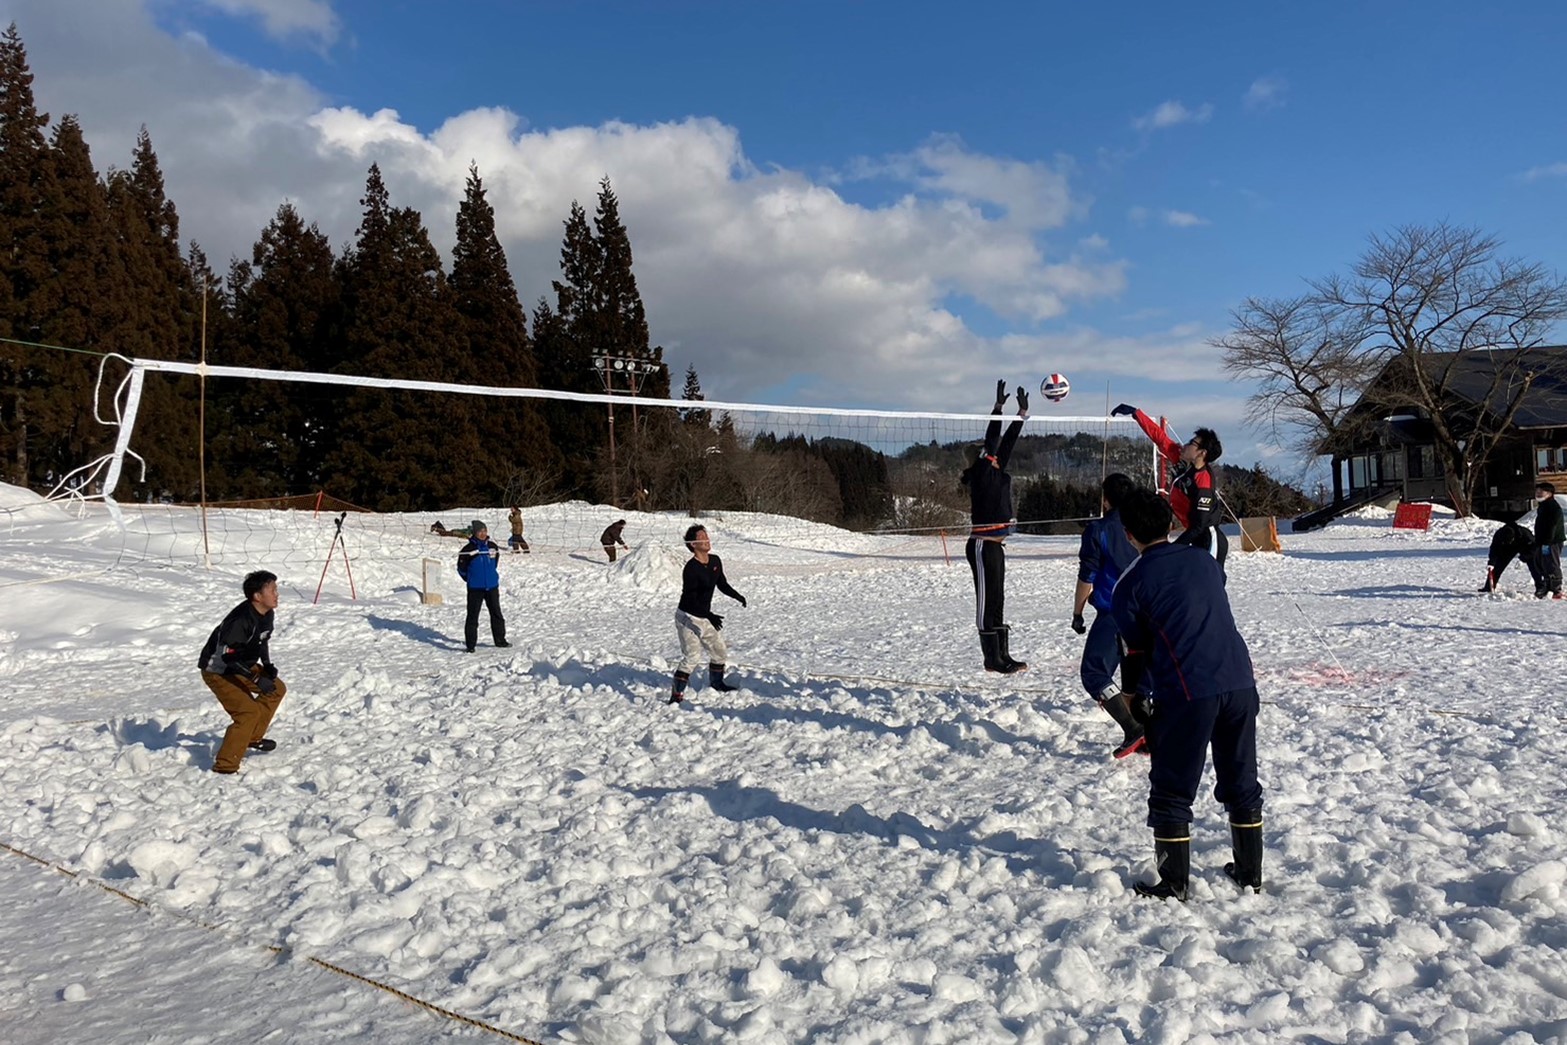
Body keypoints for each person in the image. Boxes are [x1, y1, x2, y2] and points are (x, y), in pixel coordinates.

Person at [1112, 488, 1264, 900]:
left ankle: (1173, 883)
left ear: (1129, 536)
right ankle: (1250, 872)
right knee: (1241, 779)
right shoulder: (1204, 560)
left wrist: (1132, 696)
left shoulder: (1131, 582)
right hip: (1240, 683)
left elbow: (1136, 650)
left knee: (1172, 785)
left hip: (1189, 690)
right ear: (1172, 524)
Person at [1072, 472, 1144, 758]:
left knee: (1094, 672)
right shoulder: (1144, 523)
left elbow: (1087, 576)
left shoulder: (1098, 530)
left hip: (1115, 612)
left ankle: (1133, 728)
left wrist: (1077, 612)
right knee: (1136, 680)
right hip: (1148, 612)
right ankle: (1149, 735)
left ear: (1106, 499)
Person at [960, 379, 1029, 673]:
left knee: (998, 599)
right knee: (986, 602)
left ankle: (1003, 655)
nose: (995, 453)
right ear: (981, 457)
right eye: (988, 452)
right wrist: (998, 408)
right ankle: (991, 658)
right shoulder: (980, 474)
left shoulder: (995, 468)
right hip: (981, 545)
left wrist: (1021, 415)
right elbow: (994, 438)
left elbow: (1006, 443)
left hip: (997, 545)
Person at [1111, 404, 1229, 572]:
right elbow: (1160, 438)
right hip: (1193, 536)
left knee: (1211, 588)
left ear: (1202, 453)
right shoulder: (1183, 462)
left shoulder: (1203, 482)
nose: (1185, 445)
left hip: (1208, 539)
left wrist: (1173, 548)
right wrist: (1137, 414)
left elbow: (1199, 526)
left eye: (1192, 443)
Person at [198, 570, 287, 775]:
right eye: (272, 590)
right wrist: (256, 678)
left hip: (241, 665)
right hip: (219, 671)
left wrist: (266, 664)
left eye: (276, 589)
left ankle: (252, 738)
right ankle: (225, 766)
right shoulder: (240, 620)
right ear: (257, 596)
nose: (277, 594)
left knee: (276, 689)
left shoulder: (267, 614)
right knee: (247, 712)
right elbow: (228, 658)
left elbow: (263, 640)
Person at [670, 524, 746, 704]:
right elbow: (689, 602)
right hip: (687, 617)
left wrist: (737, 596)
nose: (707, 539)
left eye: (707, 535)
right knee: (692, 657)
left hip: (704, 616)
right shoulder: (690, 569)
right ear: (693, 544)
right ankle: (676, 696)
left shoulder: (715, 561)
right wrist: (710, 615)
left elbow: (721, 584)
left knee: (719, 651)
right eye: (702, 537)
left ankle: (717, 684)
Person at [457, 520, 509, 653]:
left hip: (491, 587)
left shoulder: (493, 547)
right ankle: (470, 645)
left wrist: (490, 576)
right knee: (473, 616)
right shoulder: (467, 550)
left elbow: (495, 562)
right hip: (475, 588)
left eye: (485, 530)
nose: (483, 533)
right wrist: (471, 579)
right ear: (475, 533)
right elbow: (461, 569)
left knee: (496, 614)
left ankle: (500, 640)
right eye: (480, 531)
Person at [1480, 516, 1538, 592]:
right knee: (1497, 567)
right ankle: (1489, 587)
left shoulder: (1525, 534)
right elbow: (1494, 549)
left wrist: (1525, 557)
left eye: (1510, 541)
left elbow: (1534, 547)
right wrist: (1491, 562)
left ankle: (1540, 587)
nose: (1509, 542)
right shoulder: (1499, 535)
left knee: (1534, 567)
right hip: (1507, 550)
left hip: (1524, 547)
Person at [1534, 482, 1564, 599]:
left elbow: (1553, 525)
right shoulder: (1543, 506)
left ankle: (1556, 588)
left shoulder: (1553, 507)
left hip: (1552, 541)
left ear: (1549, 494)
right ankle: (1546, 586)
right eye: (1537, 491)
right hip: (1542, 540)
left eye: (1541, 492)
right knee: (1541, 563)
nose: (1538, 493)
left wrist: (1547, 541)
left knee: (1552, 564)